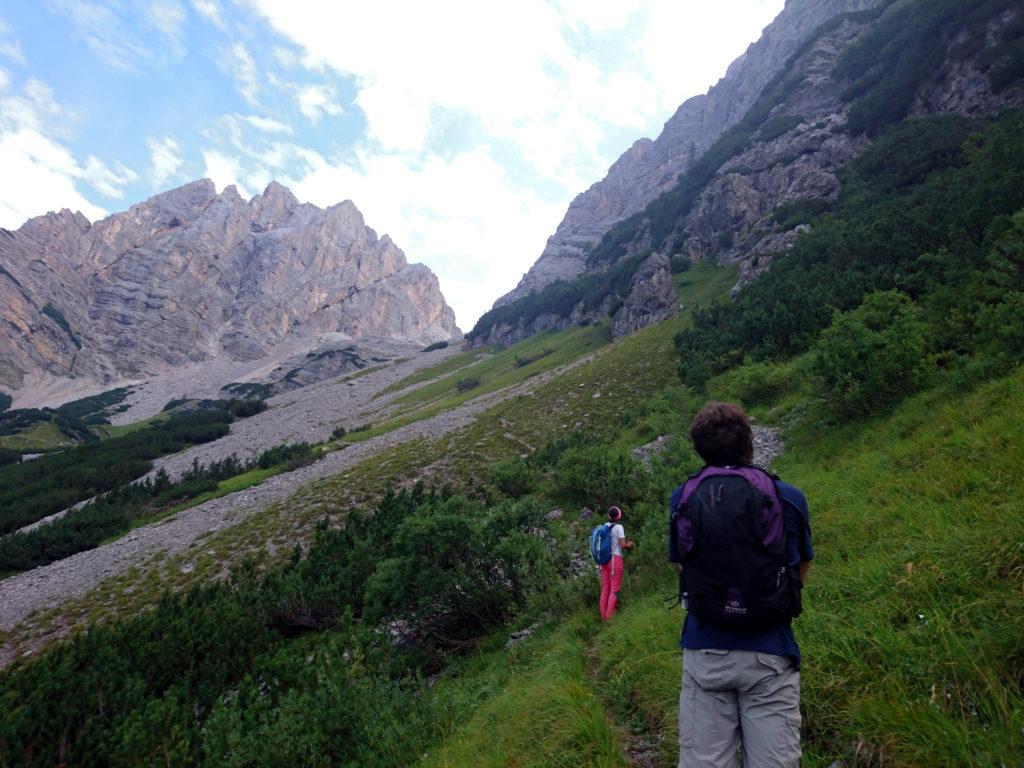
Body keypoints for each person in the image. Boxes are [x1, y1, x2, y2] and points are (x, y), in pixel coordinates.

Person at [669, 402, 813, 768]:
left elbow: (684, 565)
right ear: (749, 442)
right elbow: (800, 568)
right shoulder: (789, 498)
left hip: (705, 651)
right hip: (770, 651)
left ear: (700, 448)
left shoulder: (682, 497)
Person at [599, 505, 633, 621]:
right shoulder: (619, 527)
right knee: (614, 589)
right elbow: (623, 545)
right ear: (619, 516)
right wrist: (630, 545)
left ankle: (603, 616)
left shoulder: (604, 527)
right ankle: (609, 618)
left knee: (605, 588)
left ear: (608, 515)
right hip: (615, 560)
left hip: (603, 561)